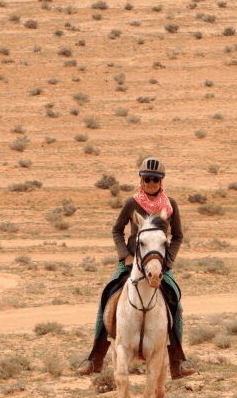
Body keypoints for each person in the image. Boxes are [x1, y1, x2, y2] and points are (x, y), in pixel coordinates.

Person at [74, 157, 196, 378]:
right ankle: (95, 358)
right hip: (132, 262)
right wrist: (125, 255)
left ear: (161, 181)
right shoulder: (131, 203)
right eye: (147, 179)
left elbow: (177, 236)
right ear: (141, 180)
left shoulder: (171, 205)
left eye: (155, 179)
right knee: (106, 295)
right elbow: (116, 230)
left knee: (175, 302)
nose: (151, 183)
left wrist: (167, 261)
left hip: (159, 263)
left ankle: (178, 362)